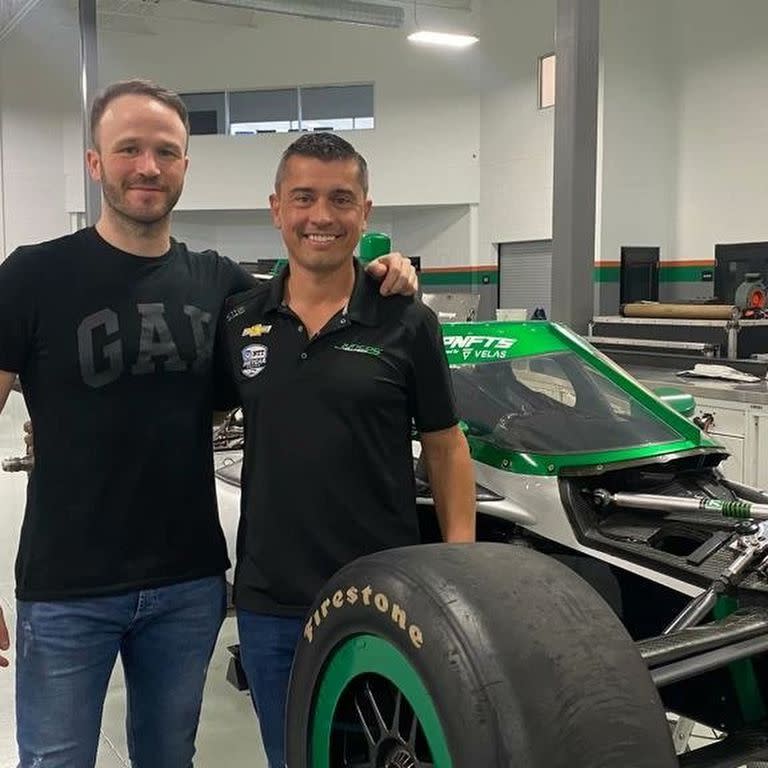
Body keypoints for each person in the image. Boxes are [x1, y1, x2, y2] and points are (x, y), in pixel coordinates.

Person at [0, 79, 416, 768]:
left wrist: (386, 274)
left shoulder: (222, 284)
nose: (148, 167)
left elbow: (312, 303)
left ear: (185, 166)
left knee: (170, 758)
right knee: (54, 760)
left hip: (187, 582)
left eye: (166, 151)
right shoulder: (33, 276)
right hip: (66, 585)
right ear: (95, 162)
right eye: (128, 148)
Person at [218, 132, 476, 768]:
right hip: (270, 602)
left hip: (383, 600)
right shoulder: (239, 320)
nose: (321, 217)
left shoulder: (407, 320)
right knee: (291, 757)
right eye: (303, 197)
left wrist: (463, 571)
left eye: (341, 199)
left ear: (365, 210)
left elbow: (445, 448)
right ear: (276, 207)